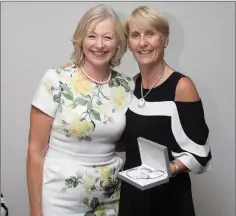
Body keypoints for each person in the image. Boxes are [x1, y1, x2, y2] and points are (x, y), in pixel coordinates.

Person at [26, 4, 134, 216]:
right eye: (92, 36)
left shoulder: (127, 86)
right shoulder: (56, 80)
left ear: (118, 43)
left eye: (108, 38)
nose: (99, 45)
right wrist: (35, 210)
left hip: (111, 200)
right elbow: (35, 152)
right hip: (59, 201)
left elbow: (125, 137)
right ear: (81, 39)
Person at [118, 6, 212, 216]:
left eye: (150, 33)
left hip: (169, 198)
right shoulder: (131, 85)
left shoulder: (182, 87)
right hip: (132, 196)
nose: (143, 42)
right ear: (129, 43)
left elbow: (201, 152)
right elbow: (127, 139)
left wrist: (171, 168)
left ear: (165, 39)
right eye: (135, 35)